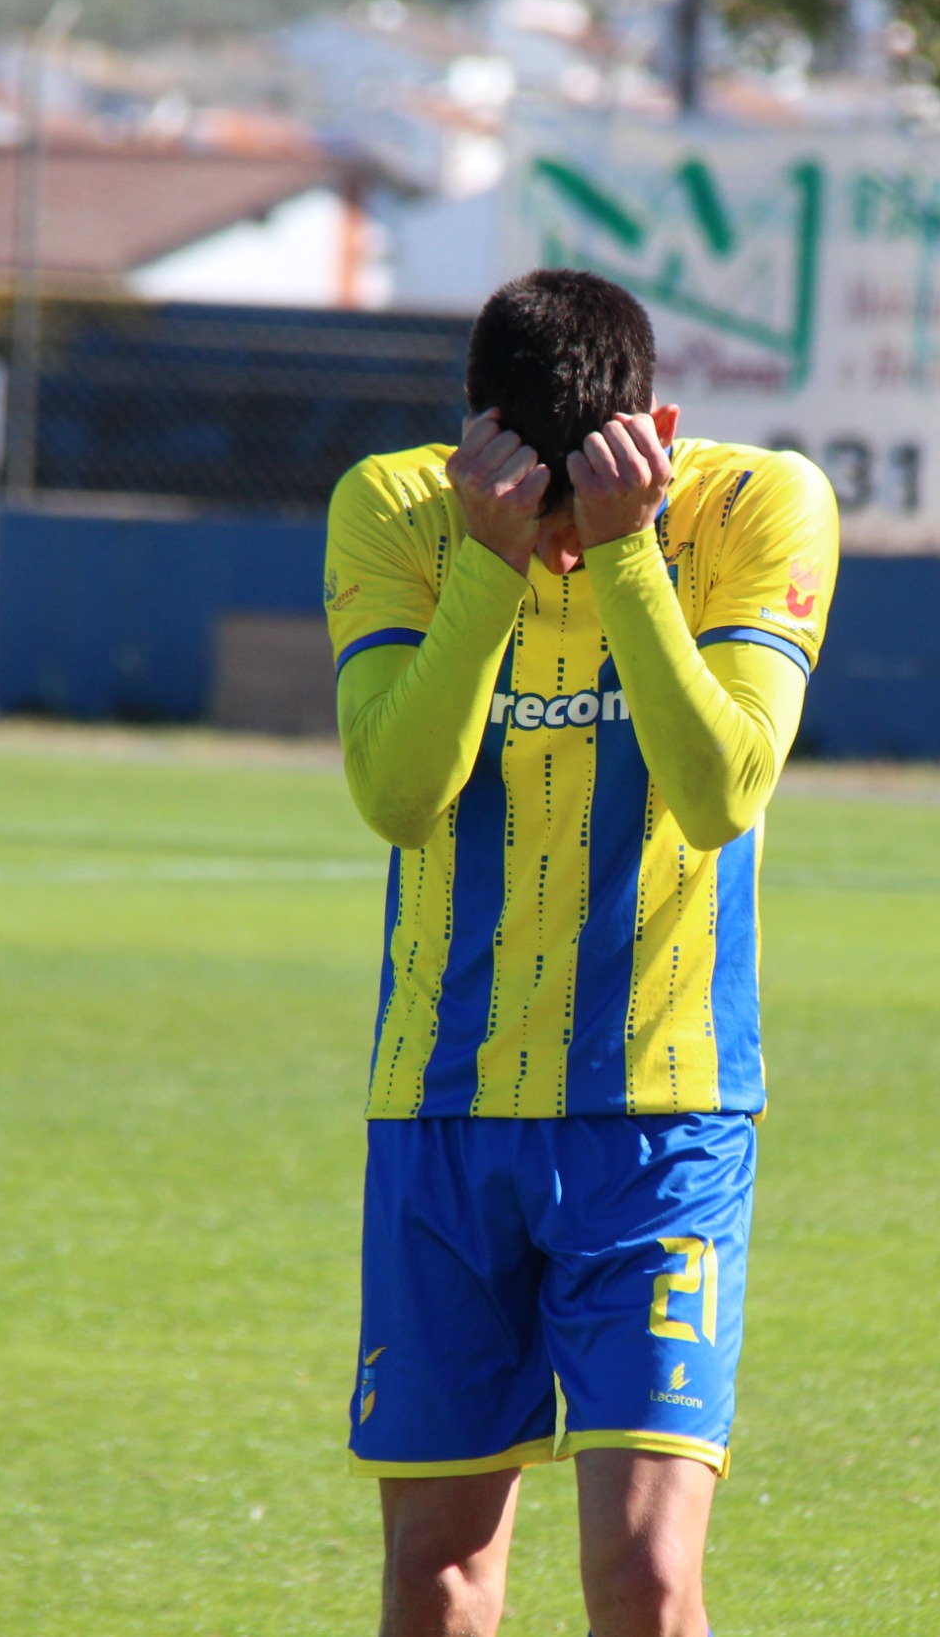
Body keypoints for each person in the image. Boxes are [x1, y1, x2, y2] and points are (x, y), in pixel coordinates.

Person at [322, 268, 839, 1637]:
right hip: (442, 1114)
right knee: (439, 1573)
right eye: (532, 509)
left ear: (655, 434)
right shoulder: (401, 511)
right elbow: (397, 792)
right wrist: (489, 562)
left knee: (646, 1577)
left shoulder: (755, 508)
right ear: (473, 446)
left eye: (576, 512)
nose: (554, 544)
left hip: (660, 1121)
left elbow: (723, 789)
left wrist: (622, 551)